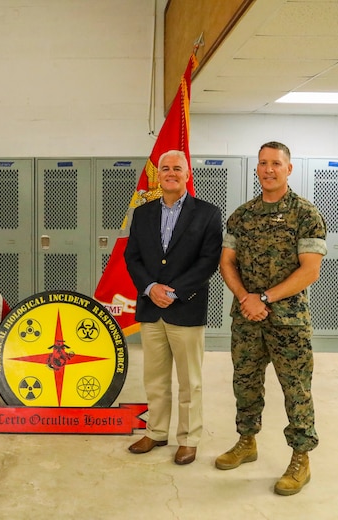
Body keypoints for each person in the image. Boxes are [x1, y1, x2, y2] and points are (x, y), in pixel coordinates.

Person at [215, 141, 326, 496]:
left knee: (296, 391)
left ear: (288, 169)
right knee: (245, 383)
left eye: (276, 163)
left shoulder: (306, 214)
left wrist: (264, 298)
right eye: (263, 163)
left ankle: (301, 459)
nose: (268, 169)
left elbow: (310, 271)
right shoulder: (242, 215)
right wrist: (246, 299)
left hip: (288, 323)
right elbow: (226, 262)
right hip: (247, 318)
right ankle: (246, 441)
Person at [124, 149, 223, 465]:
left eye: (176, 168)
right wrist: (151, 288)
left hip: (186, 309)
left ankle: (189, 438)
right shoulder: (143, 213)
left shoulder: (207, 213)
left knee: (189, 381)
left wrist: (176, 291)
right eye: (165, 168)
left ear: (187, 173)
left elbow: (209, 260)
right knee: (155, 378)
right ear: (159, 175)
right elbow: (132, 257)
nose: (170, 173)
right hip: (151, 309)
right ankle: (155, 432)